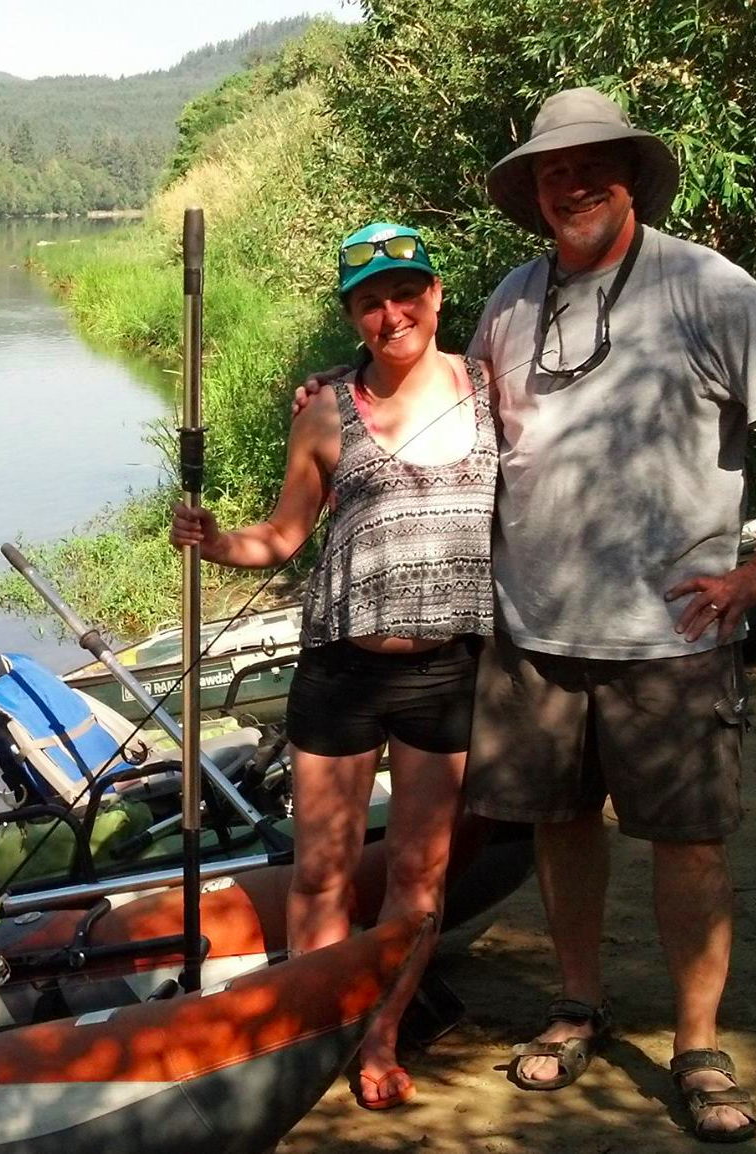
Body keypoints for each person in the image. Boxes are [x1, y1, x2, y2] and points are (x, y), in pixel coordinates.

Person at [324, 88, 756, 1143]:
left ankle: (696, 1045)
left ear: (628, 175)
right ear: (531, 194)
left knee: (688, 842)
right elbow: (437, 399)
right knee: (561, 829)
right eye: (549, 173)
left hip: (671, 634)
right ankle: (575, 1002)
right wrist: (336, 393)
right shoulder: (514, 300)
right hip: (533, 632)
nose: (569, 184)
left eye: (588, 165)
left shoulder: (703, 283)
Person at [170, 222, 496, 1111]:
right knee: (319, 873)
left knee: (418, 877)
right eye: (368, 301)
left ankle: (380, 1036)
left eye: (404, 292)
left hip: (446, 673)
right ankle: (320, 1034)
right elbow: (282, 536)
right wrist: (213, 540)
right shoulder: (325, 410)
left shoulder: (492, 390)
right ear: (351, 316)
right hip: (340, 672)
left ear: (434, 294)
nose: (391, 313)